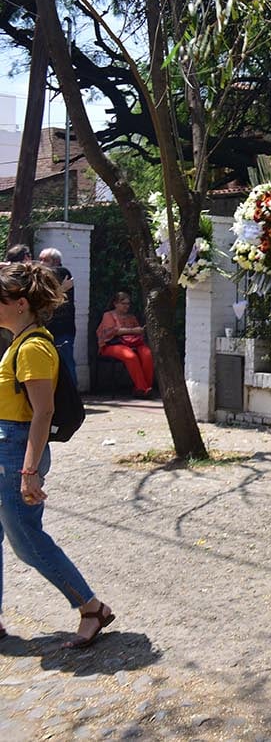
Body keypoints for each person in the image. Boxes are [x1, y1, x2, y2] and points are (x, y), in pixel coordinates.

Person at [0, 262, 114, 648]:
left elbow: (42, 412)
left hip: (16, 451)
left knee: (27, 541)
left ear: (18, 304)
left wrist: (28, 470)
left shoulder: (32, 347)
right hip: (8, 447)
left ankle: (90, 606)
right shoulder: (20, 340)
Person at [96, 292, 153, 396]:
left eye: (128, 304)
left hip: (133, 343)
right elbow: (112, 331)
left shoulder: (131, 317)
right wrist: (132, 330)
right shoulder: (108, 315)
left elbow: (138, 332)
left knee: (147, 354)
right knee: (130, 356)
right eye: (123, 303)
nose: (126, 306)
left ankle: (146, 387)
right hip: (112, 344)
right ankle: (142, 388)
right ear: (115, 304)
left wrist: (137, 332)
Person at [39, 248, 77, 387]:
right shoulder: (45, 276)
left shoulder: (61, 273)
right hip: (49, 327)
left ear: (55, 261)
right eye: (40, 259)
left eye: (45, 260)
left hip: (62, 328)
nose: (41, 263)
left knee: (66, 362)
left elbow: (48, 297)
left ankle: (73, 397)